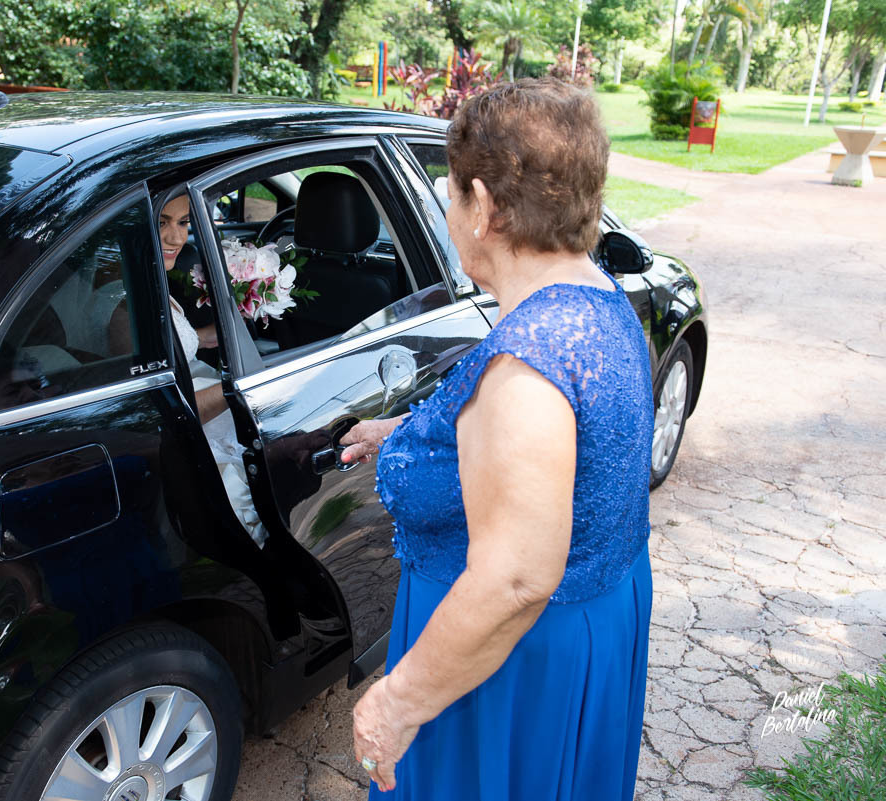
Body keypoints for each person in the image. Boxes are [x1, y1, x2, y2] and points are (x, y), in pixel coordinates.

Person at [340, 77, 655, 800]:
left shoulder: (525, 368)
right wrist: (411, 430)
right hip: (587, 626)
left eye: (451, 194)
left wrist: (398, 699)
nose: (450, 211)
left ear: (482, 207)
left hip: (504, 665)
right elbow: (563, 451)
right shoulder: (597, 299)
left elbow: (515, 577)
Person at [159, 194, 267, 547]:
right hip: (198, 419)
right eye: (162, 222)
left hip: (204, 397)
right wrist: (243, 386)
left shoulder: (142, 282)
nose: (176, 238)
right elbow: (167, 409)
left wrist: (239, 315)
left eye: (183, 222)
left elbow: (184, 342)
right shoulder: (122, 311)